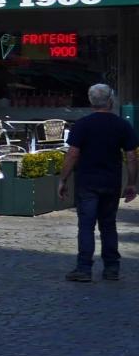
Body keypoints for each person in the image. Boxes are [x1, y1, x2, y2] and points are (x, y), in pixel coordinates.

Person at [59, 83, 139, 282]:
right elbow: (131, 156)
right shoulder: (122, 125)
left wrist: (63, 179)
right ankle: (112, 268)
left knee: (86, 226)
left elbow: (72, 154)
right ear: (110, 101)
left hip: (87, 182)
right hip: (111, 182)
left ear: (91, 101)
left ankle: (84, 269)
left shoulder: (83, 125)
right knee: (108, 225)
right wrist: (131, 183)